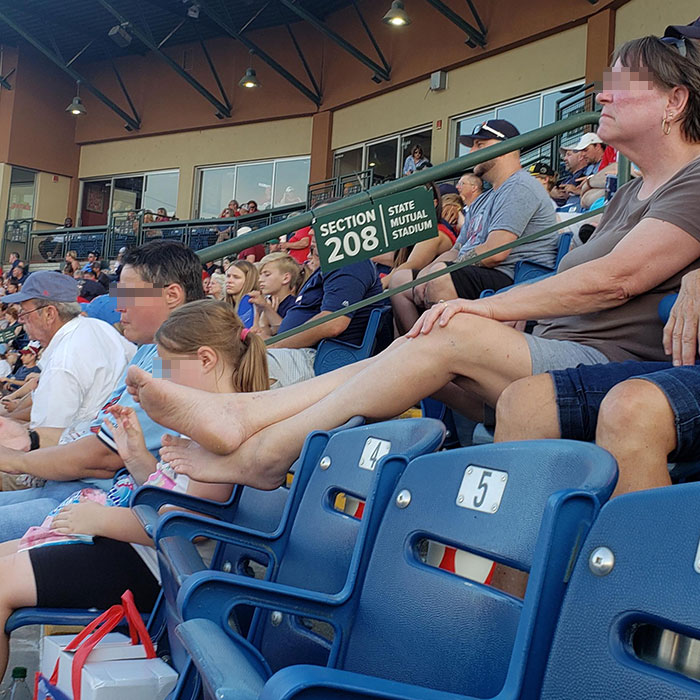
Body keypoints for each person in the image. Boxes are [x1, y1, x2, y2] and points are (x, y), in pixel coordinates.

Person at [123, 33, 700, 492]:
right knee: (415, 344)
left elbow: (618, 279)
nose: (601, 97)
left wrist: (485, 310)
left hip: (608, 360)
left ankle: (266, 448)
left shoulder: (693, 180)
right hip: (555, 345)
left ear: (675, 102)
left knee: (445, 329)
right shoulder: (633, 191)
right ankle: (251, 419)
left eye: (622, 86)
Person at [0, 298, 271, 682]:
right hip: (143, 551)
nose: (160, 381)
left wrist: (102, 520)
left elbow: (184, 523)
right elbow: (172, 495)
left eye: (167, 367)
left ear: (206, 359)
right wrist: (137, 456)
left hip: (163, 570)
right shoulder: (209, 418)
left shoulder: (225, 432)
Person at [0, 240, 205, 542]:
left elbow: (104, 457)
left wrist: (13, 458)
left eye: (129, 295)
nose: (119, 306)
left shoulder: (180, 360)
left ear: (172, 295)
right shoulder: (149, 347)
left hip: (110, 506)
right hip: (79, 490)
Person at [391, 119, 559, 333]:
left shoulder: (520, 186)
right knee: (400, 281)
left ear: (505, 148)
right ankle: (411, 351)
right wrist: (426, 273)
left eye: (480, 145)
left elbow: (495, 253)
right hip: (480, 272)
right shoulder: (484, 198)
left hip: (513, 277)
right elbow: (457, 249)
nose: (471, 151)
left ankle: (444, 359)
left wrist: (436, 272)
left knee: (441, 277)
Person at [0, 270, 136, 431]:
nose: (21, 320)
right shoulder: (97, 326)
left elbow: (47, 438)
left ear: (49, 314)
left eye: (25, 313)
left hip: (91, 446)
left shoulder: (63, 361)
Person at [262, 234, 383, 387]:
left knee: (244, 364)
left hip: (321, 359)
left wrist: (276, 345)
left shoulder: (348, 262)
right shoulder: (330, 266)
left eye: (318, 223)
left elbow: (333, 323)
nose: (311, 233)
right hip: (303, 354)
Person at [249, 253, 301, 338]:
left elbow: (286, 334)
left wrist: (267, 309)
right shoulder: (263, 302)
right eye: (260, 275)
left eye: (267, 274)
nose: (260, 280)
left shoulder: (294, 306)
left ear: (286, 278)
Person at [225, 260, 259, 328]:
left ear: (248, 280)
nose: (229, 281)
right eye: (228, 276)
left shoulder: (250, 301)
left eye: (236, 277)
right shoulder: (226, 304)